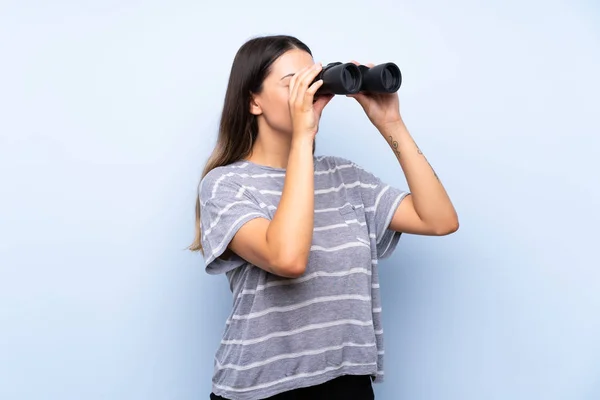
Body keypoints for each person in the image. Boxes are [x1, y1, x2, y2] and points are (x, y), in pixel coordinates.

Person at [190, 34, 459, 400]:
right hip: (262, 391)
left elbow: (439, 220)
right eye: (293, 84)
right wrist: (304, 138)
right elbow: (288, 258)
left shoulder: (343, 176)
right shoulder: (226, 185)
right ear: (254, 101)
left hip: (347, 382)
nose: (309, 92)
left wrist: (391, 124)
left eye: (314, 79)